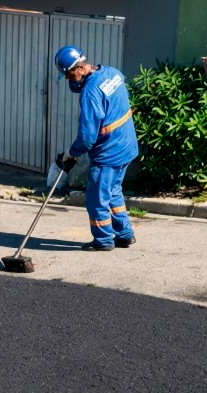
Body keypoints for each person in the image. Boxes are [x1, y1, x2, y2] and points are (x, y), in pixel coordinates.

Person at [54, 45, 139, 252]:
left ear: (81, 68)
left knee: (96, 199)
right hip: (127, 146)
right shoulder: (112, 73)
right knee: (113, 191)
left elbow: (86, 138)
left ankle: (103, 240)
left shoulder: (90, 92)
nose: (69, 80)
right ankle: (125, 234)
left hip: (108, 154)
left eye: (69, 75)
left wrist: (70, 154)